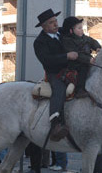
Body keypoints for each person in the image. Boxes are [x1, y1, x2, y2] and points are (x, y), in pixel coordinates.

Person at [34, 9, 78, 142]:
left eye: (56, 21)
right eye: (51, 22)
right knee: (59, 90)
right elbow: (47, 60)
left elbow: (73, 28)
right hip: (55, 73)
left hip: (72, 69)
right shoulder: (39, 42)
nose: (55, 24)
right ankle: (55, 124)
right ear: (44, 26)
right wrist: (66, 56)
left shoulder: (61, 32)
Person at [61, 16, 101, 98]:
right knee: (83, 68)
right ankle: (80, 90)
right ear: (71, 30)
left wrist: (97, 48)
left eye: (81, 28)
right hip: (74, 63)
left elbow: (92, 41)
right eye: (79, 28)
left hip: (87, 60)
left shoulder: (84, 38)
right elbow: (77, 55)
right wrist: (88, 59)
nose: (82, 30)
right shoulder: (67, 41)